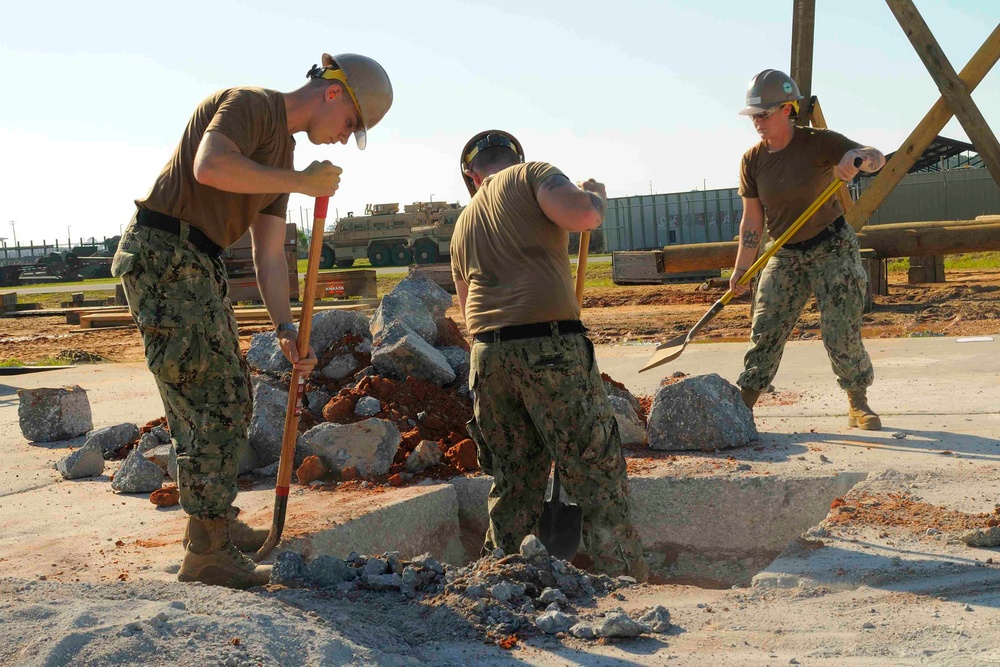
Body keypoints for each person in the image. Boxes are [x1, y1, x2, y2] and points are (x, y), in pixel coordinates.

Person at [111, 53, 392, 588]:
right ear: (333, 92)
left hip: (197, 262)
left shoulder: (284, 159)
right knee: (210, 399)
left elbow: (269, 256)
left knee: (229, 397)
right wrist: (303, 182)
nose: (342, 137)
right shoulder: (251, 105)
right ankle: (206, 552)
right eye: (351, 123)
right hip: (164, 253)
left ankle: (212, 525)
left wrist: (286, 328)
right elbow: (209, 166)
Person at [451, 130, 648, 581]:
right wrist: (595, 197)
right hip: (549, 350)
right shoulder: (531, 174)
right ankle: (625, 578)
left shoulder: (463, 223)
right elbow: (580, 214)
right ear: (515, 158)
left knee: (514, 479)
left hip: (487, 358)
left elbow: (465, 309)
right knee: (595, 468)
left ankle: (497, 580)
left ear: (471, 175)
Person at [730, 69, 885, 430]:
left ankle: (857, 402)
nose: (757, 122)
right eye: (753, 115)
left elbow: (876, 157)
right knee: (766, 324)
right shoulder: (752, 160)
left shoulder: (819, 142)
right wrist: (740, 269)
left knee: (839, 328)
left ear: (787, 109)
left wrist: (856, 159)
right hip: (784, 251)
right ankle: (744, 402)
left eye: (764, 114)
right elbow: (752, 220)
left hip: (831, 245)